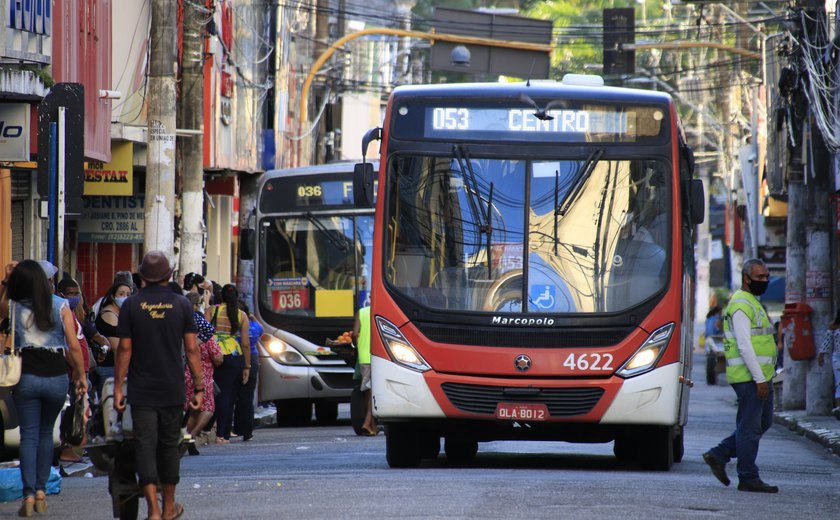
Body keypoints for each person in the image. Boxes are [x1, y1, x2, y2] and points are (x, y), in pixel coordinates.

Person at [113, 251, 203, 520]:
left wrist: (119, 387)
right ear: (169, 275)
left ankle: (152, 508)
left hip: (141, 391)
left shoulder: (130, 305)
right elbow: (192, 348)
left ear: (142, 276)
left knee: (144, 445)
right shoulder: (182, 305)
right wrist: (198, 387)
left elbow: (125, 348)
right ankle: (168, 507)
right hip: (172, 389)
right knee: (168, 447)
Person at [0, 261, 87, 517]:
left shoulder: (15, 305)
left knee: (29, 436)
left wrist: (5, 281)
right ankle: (41, 490)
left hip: (26, 376)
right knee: (47, 433)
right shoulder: (61, 306)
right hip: (57, 376)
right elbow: (72, 346)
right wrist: (80, 376)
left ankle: (28, 495)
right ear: (44, 281)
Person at [703, 258, 779, 493]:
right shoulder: (741, 305)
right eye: (759, 278)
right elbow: (745, 345)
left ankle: (720, 453)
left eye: (766, 277)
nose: (764, 281)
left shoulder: (752, 302)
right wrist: (758, 379)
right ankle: (747, 476)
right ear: (746, 279)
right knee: (749, 428)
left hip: (761, 376)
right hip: (750, 378)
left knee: (763, 422)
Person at [205, 284, 250, 443]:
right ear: (236, 298)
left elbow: (204, 334)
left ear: (221, 296)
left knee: (213, 393)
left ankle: (209, 429)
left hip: (214, 355)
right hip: (233, 356)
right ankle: (221, 435)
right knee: (227, 396)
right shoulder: (241, 315)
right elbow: (245, 343)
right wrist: (247, 366)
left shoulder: (211, 311)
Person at [184, 292, 222, 454]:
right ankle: (191, 435)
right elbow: (218, 356)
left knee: (190, 406)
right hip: (202, 373)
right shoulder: (199, 324)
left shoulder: (176, 319)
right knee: (207, 407)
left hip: (183, 371)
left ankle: (185, 435)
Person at [93, 281, 132, 398]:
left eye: (128, 294)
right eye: (121, 294)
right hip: (110, 368)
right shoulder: (109, 314)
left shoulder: (122, 313)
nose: (125, 297)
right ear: (113, 296)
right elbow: (117, 347)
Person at [233, 300, 263, 442]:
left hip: (235, 358)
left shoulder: (232, 326)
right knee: (247, 397)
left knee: (232, 396)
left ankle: (234, 428)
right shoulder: (254, 326)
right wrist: (252, 317)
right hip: (253, 359)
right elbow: (261, 329)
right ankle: (247, 430)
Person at [352, 305, 377, 436]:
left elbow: (355, 334)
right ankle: (367, 423)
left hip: (363, 357)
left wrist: (357, 346)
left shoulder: (361, 312)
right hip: (378, 356)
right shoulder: (381, 311)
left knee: (368, 390)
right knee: (374, 391)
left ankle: (372, 425)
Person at [818, 309, 840, 419]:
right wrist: (821, 354)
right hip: (838, 357)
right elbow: (827, 341)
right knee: (839, 382)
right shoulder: (834, 325)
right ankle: (838, 408)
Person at [704, 305, 724, 385]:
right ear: (718, 312)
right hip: (716, 340)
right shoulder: (717, 319)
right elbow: (719, 330)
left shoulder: (708, 319)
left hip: (708, 340)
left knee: (711, 356)